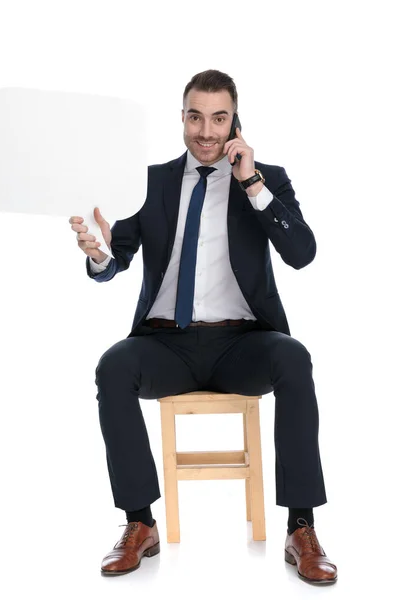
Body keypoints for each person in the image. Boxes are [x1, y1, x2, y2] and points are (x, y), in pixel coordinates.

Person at [69, 69, 337, 584]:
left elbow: (302, 254)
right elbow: (114, 258)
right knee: (112, 367)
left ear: (235, 121)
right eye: (196, 117)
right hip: (166, 343)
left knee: (294, 357)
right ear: (183, 119)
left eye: (219, 118)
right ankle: (139, 522)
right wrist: (100, 256)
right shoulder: (149, 182)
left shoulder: (266, 178)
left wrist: (252, 183)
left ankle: (301, 527)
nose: (207, 132)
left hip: (244, 344)